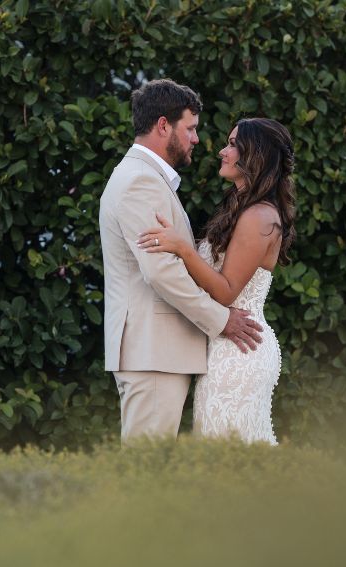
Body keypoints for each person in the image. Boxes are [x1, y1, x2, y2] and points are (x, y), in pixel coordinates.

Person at [98, 79, 263, 443]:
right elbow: (161, 273)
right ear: (162, 125)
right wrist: (221, 320)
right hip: (153, 351)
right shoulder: (140, 181)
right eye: (190, 128)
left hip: (157, 351)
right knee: (147, 473)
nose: (196, 139)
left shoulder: (144, 178)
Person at [136, 118, 296, 444]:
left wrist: (182, 248)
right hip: (224, 345)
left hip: (239, 350)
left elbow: (225, 292)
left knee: (228, 458)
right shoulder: (242, 209)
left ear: (256, 154)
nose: (223, 151)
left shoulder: (260, 217)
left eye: (234, 144)